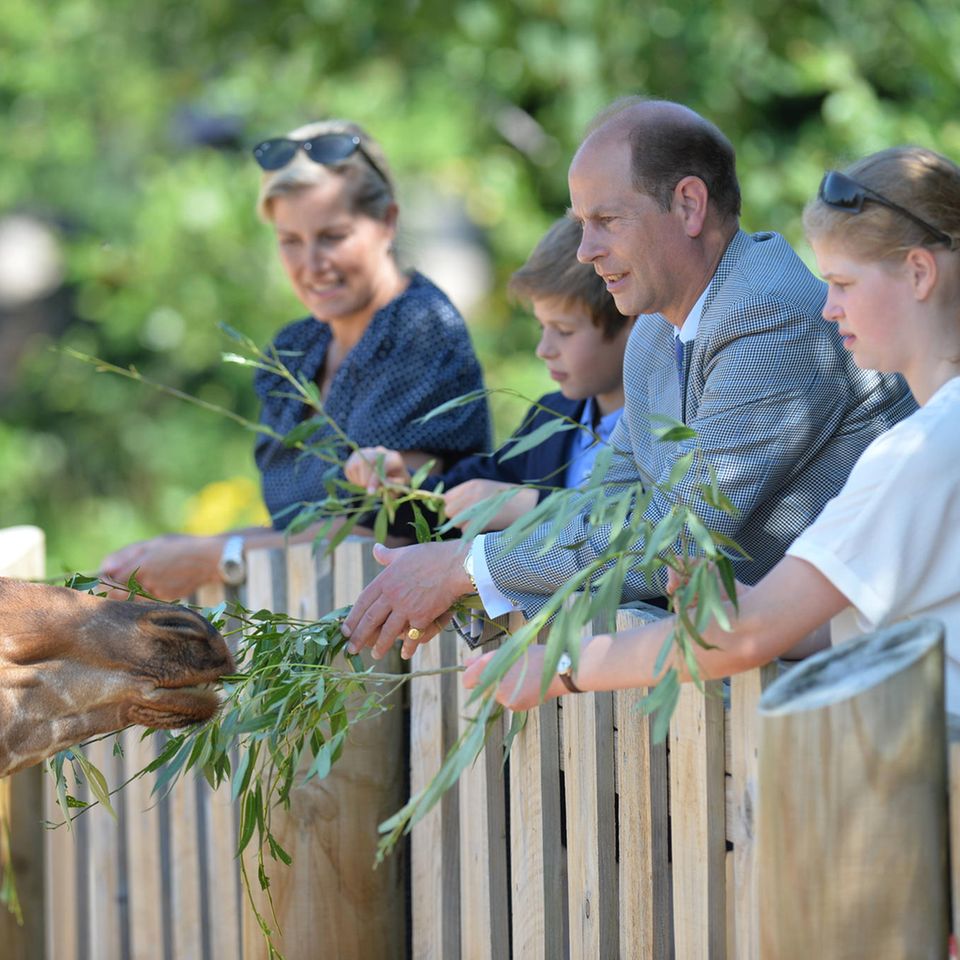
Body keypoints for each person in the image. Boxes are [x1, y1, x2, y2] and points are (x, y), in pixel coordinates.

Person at [340, 97, 915, 662]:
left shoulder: (770, 317)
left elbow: (673, 535)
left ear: (689, 205)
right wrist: (468, 582)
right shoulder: (652, 333)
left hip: (869, 674)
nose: (587, 252)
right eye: (581, 225)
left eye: (607, 220)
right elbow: (602, 510)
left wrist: (466, 567)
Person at [466, 145, 960, 716]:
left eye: (843, 283)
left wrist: (562, 666)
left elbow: (744, 639)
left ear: (919, 273)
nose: (828, 307)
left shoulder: (919, 451)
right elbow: (883, 621)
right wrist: (747, 605)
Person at [100, 119, 491, 600]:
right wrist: (186, 548)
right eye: (291, 240)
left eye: (333, 235)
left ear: (387, 221)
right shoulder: (297, 348)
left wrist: (212, 556)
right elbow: (294, 527)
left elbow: (383, 534)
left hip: (413, 651)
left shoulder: (420, 330)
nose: (311, 264)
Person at [343, 216, 633, 536]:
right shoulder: (551, 420)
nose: (544, 348)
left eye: (564, 331)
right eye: (542, 327)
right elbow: (456, 502)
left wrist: (535, 508)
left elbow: (647, 525)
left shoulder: (667, 422)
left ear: (631, 322)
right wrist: (399, 485)